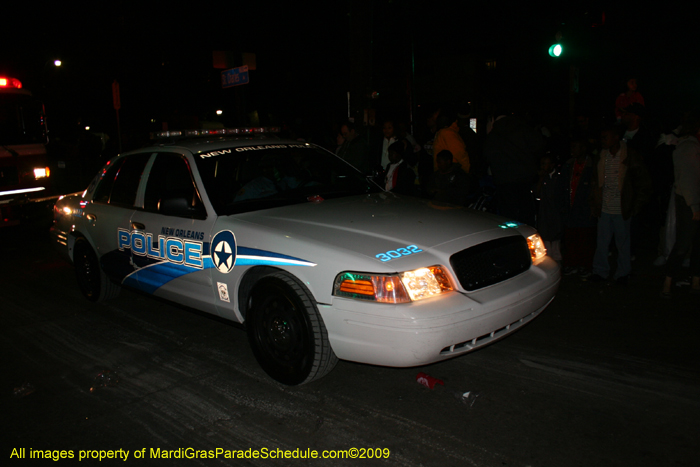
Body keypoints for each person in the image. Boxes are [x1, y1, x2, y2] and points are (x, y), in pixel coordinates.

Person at [589, 124, 652, 285]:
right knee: (602, 243)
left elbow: (643, 182)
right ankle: (600, 272)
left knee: (623, 243)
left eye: (606, 137)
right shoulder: (602, 156)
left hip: (622, 207)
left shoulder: (629, 156)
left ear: (615, 137)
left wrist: (635, 206)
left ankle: (623, 273)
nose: (602, 141)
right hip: (604, 207)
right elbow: (595, 183)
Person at [661, 111, 700, 297]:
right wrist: (694, 205)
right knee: (684, 243)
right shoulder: (689, 147)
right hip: (689, 200)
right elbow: (687, 180)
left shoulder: (692, 146)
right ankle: (668, 282)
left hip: (692, 199)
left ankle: (695, 281)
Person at [560, 137, 596, 277]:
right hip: (570, 207)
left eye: (575, 147)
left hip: (585, 208)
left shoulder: (592, 166)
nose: (572, 150)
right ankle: (572, 264)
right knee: (571, 238)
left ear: (583, 148)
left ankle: (585, 265)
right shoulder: (568, 165)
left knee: (585, 238)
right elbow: (562, 187)